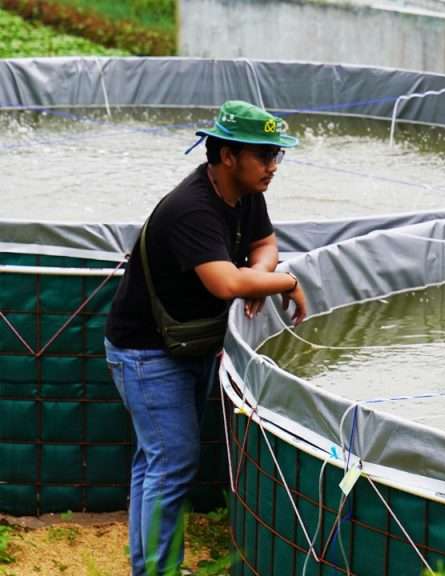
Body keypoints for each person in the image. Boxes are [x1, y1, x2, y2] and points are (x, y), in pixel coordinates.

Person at [104, 100, 307, 575]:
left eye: (276, 154)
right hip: (147, 353)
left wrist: (261, 275)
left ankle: (151, 568)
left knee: (157, 462)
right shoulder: (192, 208)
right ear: (228, 156)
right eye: (264, 155)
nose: (273, 166)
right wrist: (284, 282)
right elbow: (226, 284)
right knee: (170, 464)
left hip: (187, 344)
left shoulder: (245, 192)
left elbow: (264, 245)